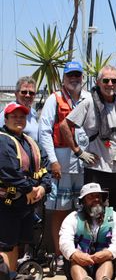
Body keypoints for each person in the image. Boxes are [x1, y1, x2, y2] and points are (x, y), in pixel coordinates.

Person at [59, 65, 116, 218]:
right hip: (96, 171)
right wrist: (79, 152)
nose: (110, 84)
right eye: (106, 80)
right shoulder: (88, 103)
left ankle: (115, 242)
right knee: (94, 216)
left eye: (114, 81)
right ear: (98, 82)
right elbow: (64, 125)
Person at [39, 61, 90, 267]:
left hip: (84, 161)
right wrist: (53, 161)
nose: (74, 78)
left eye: (78, 75)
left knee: (82, 209)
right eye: (70, 75)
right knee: (60, 209)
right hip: (62, 160)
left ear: (82, 78)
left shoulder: (88, 98)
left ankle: (79, 251)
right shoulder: (54, 99)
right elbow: (44, 131)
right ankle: (60, 255)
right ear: (63, 78)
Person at [0, 103, 52, 275]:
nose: (18, 120)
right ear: (5, 119)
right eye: (14, 116)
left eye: (22, 116)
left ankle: (11, 275)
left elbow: (46, 167)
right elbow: (8, 171)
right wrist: (29, 188)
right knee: (6, 245)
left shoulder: (31, 142)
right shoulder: (2, 140)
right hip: (6, 202)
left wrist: (43, 187)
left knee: (16, 244)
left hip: (27, 203)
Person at [59, 183, 116, 280]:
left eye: (98, 196)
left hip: (104, 259)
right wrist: (75, 254)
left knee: (107, 260)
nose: (96, 199)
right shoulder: (72, 218)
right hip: (80, 260)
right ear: (83, 202)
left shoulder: (115, 217)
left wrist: (108, 253)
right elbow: (64, 241)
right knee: (75, 261)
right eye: (90, 197)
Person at [0, 77, 39, 141]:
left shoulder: (33, 112)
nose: (27, 95)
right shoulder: (8, 111)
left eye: (31, 93)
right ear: (16, 94)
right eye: (24, 92)